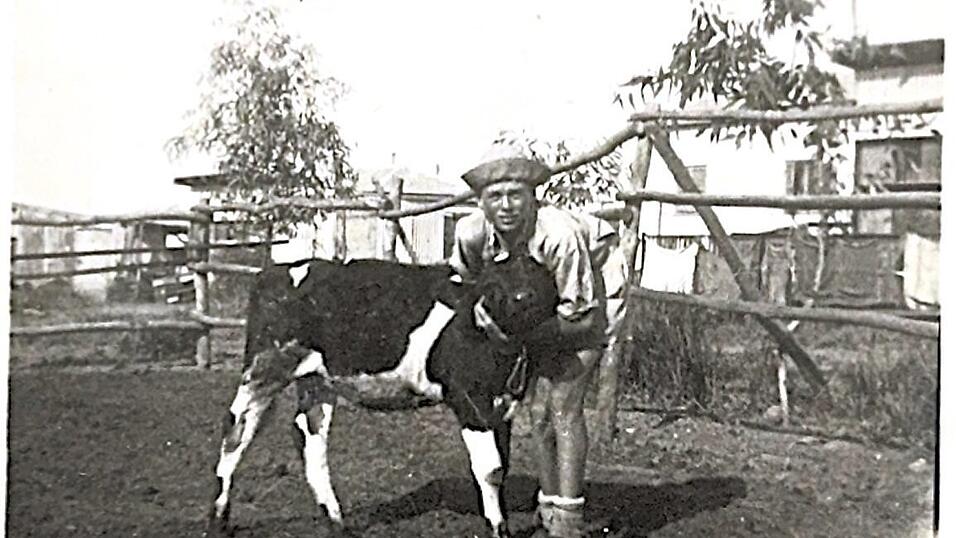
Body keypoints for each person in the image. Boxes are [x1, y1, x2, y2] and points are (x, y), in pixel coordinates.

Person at [450, 147, 610, 538]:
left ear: (533, 197)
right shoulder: (471, 233)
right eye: (495, 196)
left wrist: (518, 340)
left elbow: (583, 316)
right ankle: (549, 508)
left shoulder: (558, 236)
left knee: (563, 406)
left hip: (588, 298)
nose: (506, 206)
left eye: (516, 195)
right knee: (538, 413)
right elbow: (462, 286)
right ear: (480, 202)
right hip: (533, 313)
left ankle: (568, 520)